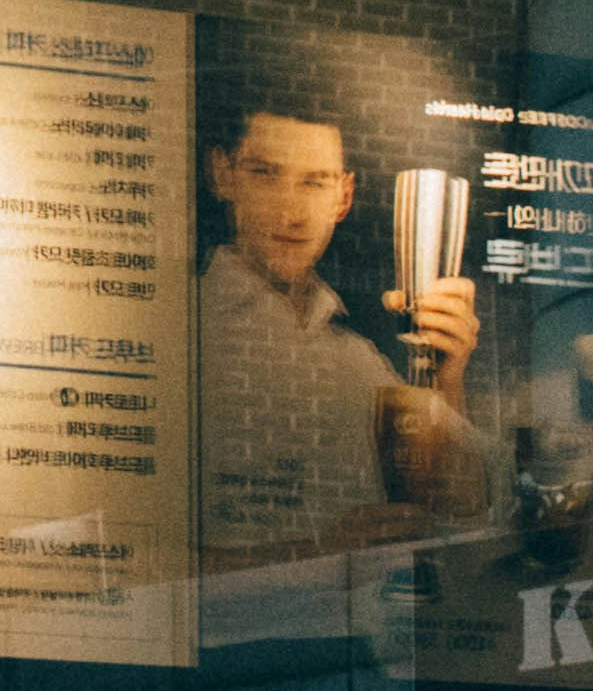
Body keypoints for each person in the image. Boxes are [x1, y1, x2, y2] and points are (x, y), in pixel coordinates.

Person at [190, 109, 481, 607]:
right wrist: (323, 556)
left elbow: (456, 511)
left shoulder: (359, 359)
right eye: (265, 174)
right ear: (222, 175)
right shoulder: (182, 327)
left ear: (343, 196)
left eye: (315, 182)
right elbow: (129, 563)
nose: (292, 213)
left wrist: (446, 377)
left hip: (375, 645)